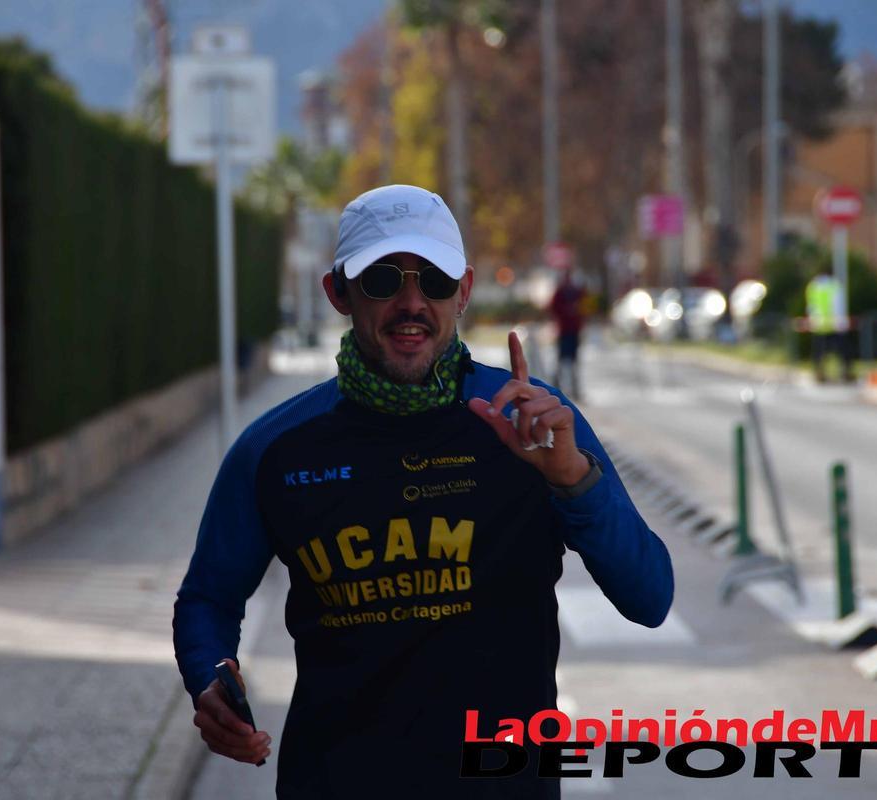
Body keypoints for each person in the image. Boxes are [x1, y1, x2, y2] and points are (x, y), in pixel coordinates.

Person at [173, 184, 674, 799]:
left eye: (433, 280)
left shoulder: (534, 423)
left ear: (462, 292)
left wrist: (573, 481)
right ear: (338, 292)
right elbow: (207, 599)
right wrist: (210, 677)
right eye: (383, 280)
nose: (411, 303)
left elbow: (650, 598)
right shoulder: (276, 451)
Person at [805, 266, 853, 383]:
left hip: (819, 324)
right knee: (842, 351)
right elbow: (839, 305)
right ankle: (845, 373)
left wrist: (812, 320)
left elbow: (810, 306)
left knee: (819, 353)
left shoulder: (813, 286)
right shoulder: (834, 286)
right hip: (834, 324)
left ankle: (819, 374)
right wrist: (841, 321)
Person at [548, 266, 586, 398]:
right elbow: (554, 308)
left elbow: (585, 306)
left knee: (574, 361)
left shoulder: (577, 292)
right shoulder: (560, 293)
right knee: (561, 360)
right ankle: (556, 386)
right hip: (564, 330)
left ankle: (574, 388)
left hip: (573, 330)